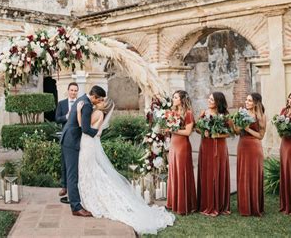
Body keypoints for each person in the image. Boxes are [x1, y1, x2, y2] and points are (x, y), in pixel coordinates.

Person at [77, 98, 174, 235]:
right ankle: (91, 195)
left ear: (104, 105)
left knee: (90, 170)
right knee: (92, 171)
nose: (99, 101)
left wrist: (77, 112)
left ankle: (94, 197)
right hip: (90, 143)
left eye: (102, 100)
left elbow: (84, 126)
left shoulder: (98, 113)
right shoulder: (98, 112)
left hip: (88, 144)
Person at [60, 85, 105, 217]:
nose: (99, 102)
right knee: (72, 175)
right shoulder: (87, 105)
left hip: (69, 138)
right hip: (71, 141)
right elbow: (85, 129)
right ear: (94, 97)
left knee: (73, 173)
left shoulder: (82, 99)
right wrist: (96, 133)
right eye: (99, 99)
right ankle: (76, 207)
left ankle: (77, 203)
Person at [196, 92, 231, 216]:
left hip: (219, 146)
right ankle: (206, 203)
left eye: (212, 99)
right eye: (209, 98)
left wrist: (216, 135)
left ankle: (219, 204)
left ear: (218, 102)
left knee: (217, 172)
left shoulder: (225, 115)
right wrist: (202, 130)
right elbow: (197, 129)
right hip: (206, 146)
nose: (209, 101)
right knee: (207, 173)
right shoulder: (204, 113)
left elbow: (230, 133)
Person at [166, 90, 197, 215]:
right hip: (173, 144)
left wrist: (172, 129)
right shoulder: (172, 113)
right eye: (173, 97)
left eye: (176, 97)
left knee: (182, 172)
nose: (173, 99)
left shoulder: (188, 113)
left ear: (182, 99)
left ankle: (184, 204)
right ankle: (174, 202)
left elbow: (188, 132)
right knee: (174, 172)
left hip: (182, 145)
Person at [235, 93, 266, 216]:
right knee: (243, 174)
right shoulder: (241, 113)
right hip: (242, 145)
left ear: (255, 103)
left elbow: (261, 136)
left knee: (254, 175)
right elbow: (237, 131)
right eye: (246, 100)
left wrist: (248, 129)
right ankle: (244, 206)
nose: (246, 102)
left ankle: (255, 205)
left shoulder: (261, 116)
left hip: (254, 147)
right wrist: (238, 125)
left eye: (249, 100)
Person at [55, 82, 79, 198]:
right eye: (72, 90)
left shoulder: (80, 103)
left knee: (76, 163)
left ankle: (76, 187)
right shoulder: (62, 103)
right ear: (68, 91)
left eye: (75, 90)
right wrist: (66, 116)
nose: (73, 92)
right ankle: (64, 187)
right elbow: (57, 119)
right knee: (64, 162)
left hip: (77, 136)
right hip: (66, 136)